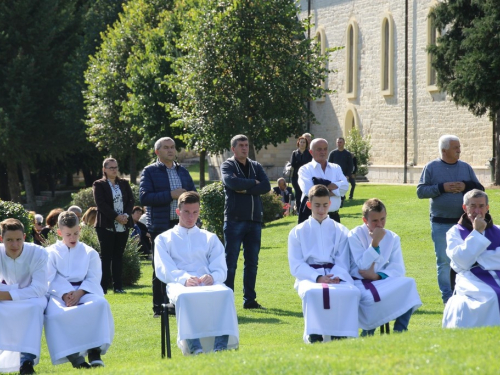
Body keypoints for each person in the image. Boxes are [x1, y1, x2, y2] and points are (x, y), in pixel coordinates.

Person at [154, 192, 239, 355]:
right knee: (186, 297)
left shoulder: (210, 238)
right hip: (179, 285)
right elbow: (164, 268)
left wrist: (213, 276)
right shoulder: (164, 239)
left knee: (226, 293)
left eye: (195, 212)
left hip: (208, 284)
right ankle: (195, 348)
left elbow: (221, 267)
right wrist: (184, 279)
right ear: (178, 212)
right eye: (186, 212)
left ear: (199, 212)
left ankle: (220, 347)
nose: (190, 217)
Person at [288, 185, 360, 343]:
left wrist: (336, 276)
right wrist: (317, 277)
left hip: (336, 274)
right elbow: (296, 265)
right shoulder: (297, 232)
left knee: (350, 292)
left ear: (331, 204)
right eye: (317, 205)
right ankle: (315, 334)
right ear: (309, 205)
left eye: (325, 205)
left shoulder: (340, 230)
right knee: (312, 293)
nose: (321, 210)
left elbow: (343, 260)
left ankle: (340, 334)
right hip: (308, 277)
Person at [417, 135, 484, 304]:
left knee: (469, 258)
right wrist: (441, 187)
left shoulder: (465, 167)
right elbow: (421, 192)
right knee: (444, 261)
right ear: (444, 150)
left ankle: (466, 293)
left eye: (459, 147)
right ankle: (448, 298)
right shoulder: (431, 167)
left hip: (465, 224)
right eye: (456, 147)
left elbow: (480, 189)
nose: (459, 150)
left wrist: (466, 186)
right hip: (441, 223)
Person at [44, 211, 114, 368]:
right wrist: (65, 295)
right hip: (59, 294)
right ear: (59, 232)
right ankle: (76, 358)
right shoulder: (50, 253)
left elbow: (93, 277)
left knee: (100, 305)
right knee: (55, 315)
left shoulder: (90, 252)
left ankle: (94, 351)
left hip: (85, 291)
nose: (72, 238)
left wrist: (79, 293)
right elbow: (50, 278)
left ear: (80, 229)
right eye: (68, 234)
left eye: (76, 233)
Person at [140, 137, 196, 317]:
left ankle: (178, 304)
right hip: (160, 225)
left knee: (182, 265)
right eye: (166, 148)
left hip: (181, 226)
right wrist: (171, 195)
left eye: (173, 147)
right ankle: (159, 307)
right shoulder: (149, 171)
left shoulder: (183, 171)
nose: (171, 150)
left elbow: (193, 195)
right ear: (157, 152)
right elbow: (145, 198)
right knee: (160, 268)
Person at [348, 198, 422, 335]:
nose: (380, 224)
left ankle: (400, 330)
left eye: (382, 219)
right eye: (374, 221)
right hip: (359, 282)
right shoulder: (354, 235)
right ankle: (367, 333)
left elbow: (397, 268)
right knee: (372, 298)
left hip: (382, 280)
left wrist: (377, 276)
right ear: (365, 221)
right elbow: (361, 265)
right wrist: (375, 243)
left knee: (409, 283)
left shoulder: (393, 237)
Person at [221, 134, 271, 309]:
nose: (244, 148)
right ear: (233, 148)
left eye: (246, 145)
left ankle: (249, 300)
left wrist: (246, 189)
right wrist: (253, 183)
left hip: (254, 220)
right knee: (231, 262)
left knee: (252, 262)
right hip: (234, 220)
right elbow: (232, 183)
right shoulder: (228, 165)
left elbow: (266, 186)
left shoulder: (255, 165)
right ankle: (227, 300)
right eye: (241, 145)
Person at [443, 189, 500, 328]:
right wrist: (477, 233)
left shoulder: (498, 230)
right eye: (472, 206)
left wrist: (478, 257)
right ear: (464, 207)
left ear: (487, 208)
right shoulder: (454, 232)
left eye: (481, 206)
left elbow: (470, 258)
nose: (477, 211)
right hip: (470, 277)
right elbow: (462, 261)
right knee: (491, 297)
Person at [0, 219, 48, 375]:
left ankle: (26, 362)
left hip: (33, 298)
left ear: (25, 237)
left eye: (18, 239)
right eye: (9, 240)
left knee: (34, 309)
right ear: (1, 239)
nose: (15, 245)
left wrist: (6, 295)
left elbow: (40, 288)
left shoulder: (38, 253)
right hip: (6, 297)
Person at [93, 157, 134, 294]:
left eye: (116, 167)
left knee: (118, 256)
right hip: (106, 225)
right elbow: (101, 204)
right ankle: (103, 287)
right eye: (111, 167)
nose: (114, 170)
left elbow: (130, 200)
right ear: (104, 169)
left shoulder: (124, 183)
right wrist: (116, 217)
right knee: (106, 256)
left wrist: (126, 216)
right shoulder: (99, 184)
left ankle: (118, 287)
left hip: (123, 224)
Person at [298, 138, 348, 224]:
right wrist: (335, 189)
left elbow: (345, 187)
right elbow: (309, 191)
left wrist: (319, 186)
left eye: (325, 149)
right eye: (319, 149)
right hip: (311, 217)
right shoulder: (305, 170)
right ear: (311, 152)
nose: (323, 152)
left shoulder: (336, 168)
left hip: (333, 217)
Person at [327, 137, 355, 204]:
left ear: (344, 143)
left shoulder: (347, 154)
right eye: (338, 142)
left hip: (344, 175)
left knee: (342, 188)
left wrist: (347, 175)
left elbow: (350, 165)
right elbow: (328, 165)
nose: (339, 144)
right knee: (334, 189)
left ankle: (341, 201)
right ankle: (336, 202)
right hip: (334, 175)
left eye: (340, 142)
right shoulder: (333, 153)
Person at [290, 136, 312, 209]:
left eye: (304, 142)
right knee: (298, 193)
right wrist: (301, 163)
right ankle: (299, 209)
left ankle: (306, 208)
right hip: (296, 176)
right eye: (301, 142)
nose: (302, 144)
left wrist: (299, 162)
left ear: (306, 144)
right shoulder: (295, 153)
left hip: (306, 176)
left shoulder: (309, 153)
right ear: (298, 143)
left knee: (305, 192)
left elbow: (309, 163)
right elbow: (293, 164)